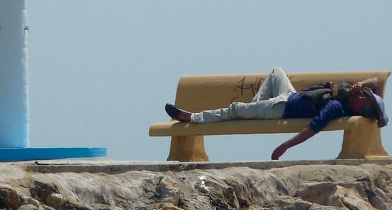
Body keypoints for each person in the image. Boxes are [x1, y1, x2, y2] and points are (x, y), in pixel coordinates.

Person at [165, 67, 388, 160]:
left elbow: (312, 130)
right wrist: (362, 84)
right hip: (288, 96)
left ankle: (192, 117)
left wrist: (286, 146)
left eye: (366, 101)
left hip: (281, 108)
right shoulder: (352, 92)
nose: (364, 97)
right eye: (367, 96)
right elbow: (376, 82)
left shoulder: (337, 107)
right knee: (276, 72)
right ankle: (252, 110)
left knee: (234, 110)